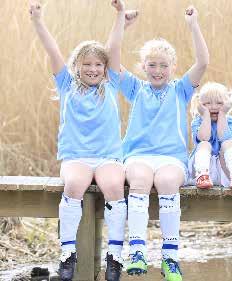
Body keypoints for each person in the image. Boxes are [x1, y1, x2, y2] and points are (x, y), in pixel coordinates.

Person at [29, 1, 131, 280]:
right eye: (87, 64)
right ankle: (67, 253)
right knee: (74, 185)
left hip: (107, 155)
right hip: (77, 156)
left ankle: (114, 255)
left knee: (114, 186)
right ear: (77, 65)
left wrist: (120, 15)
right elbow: (52, 49)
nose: (93, 69)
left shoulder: (110, 83)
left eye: (98, 64)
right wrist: (38, 20)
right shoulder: (66, 83)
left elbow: (113, 47)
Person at [119, 5, 209, 281]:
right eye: (152, 65)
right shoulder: (136, 88)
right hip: (138, 156)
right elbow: (111, 60)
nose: (158, 70)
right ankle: (137, 250)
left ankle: (170, 257)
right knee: (140, 180)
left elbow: (203, 62)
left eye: (163, 65)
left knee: (169, 182)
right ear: (144, 67)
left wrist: (193, 25)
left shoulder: (180, 90)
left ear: (173, 68)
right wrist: (121, 25)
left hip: (172, 158)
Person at [189, 82, 232, 190]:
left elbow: (224, 137)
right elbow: (204, 138)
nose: (213, 107)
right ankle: (202, 176)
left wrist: (222, 114)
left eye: (219, 103)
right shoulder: (198, 121)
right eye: (207, 103)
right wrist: (205, 116)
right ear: (200, 105)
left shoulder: (231, 121)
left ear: (227, 104)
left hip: (223, 169)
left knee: (228, 143)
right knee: (205, 144)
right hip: (202, 167)